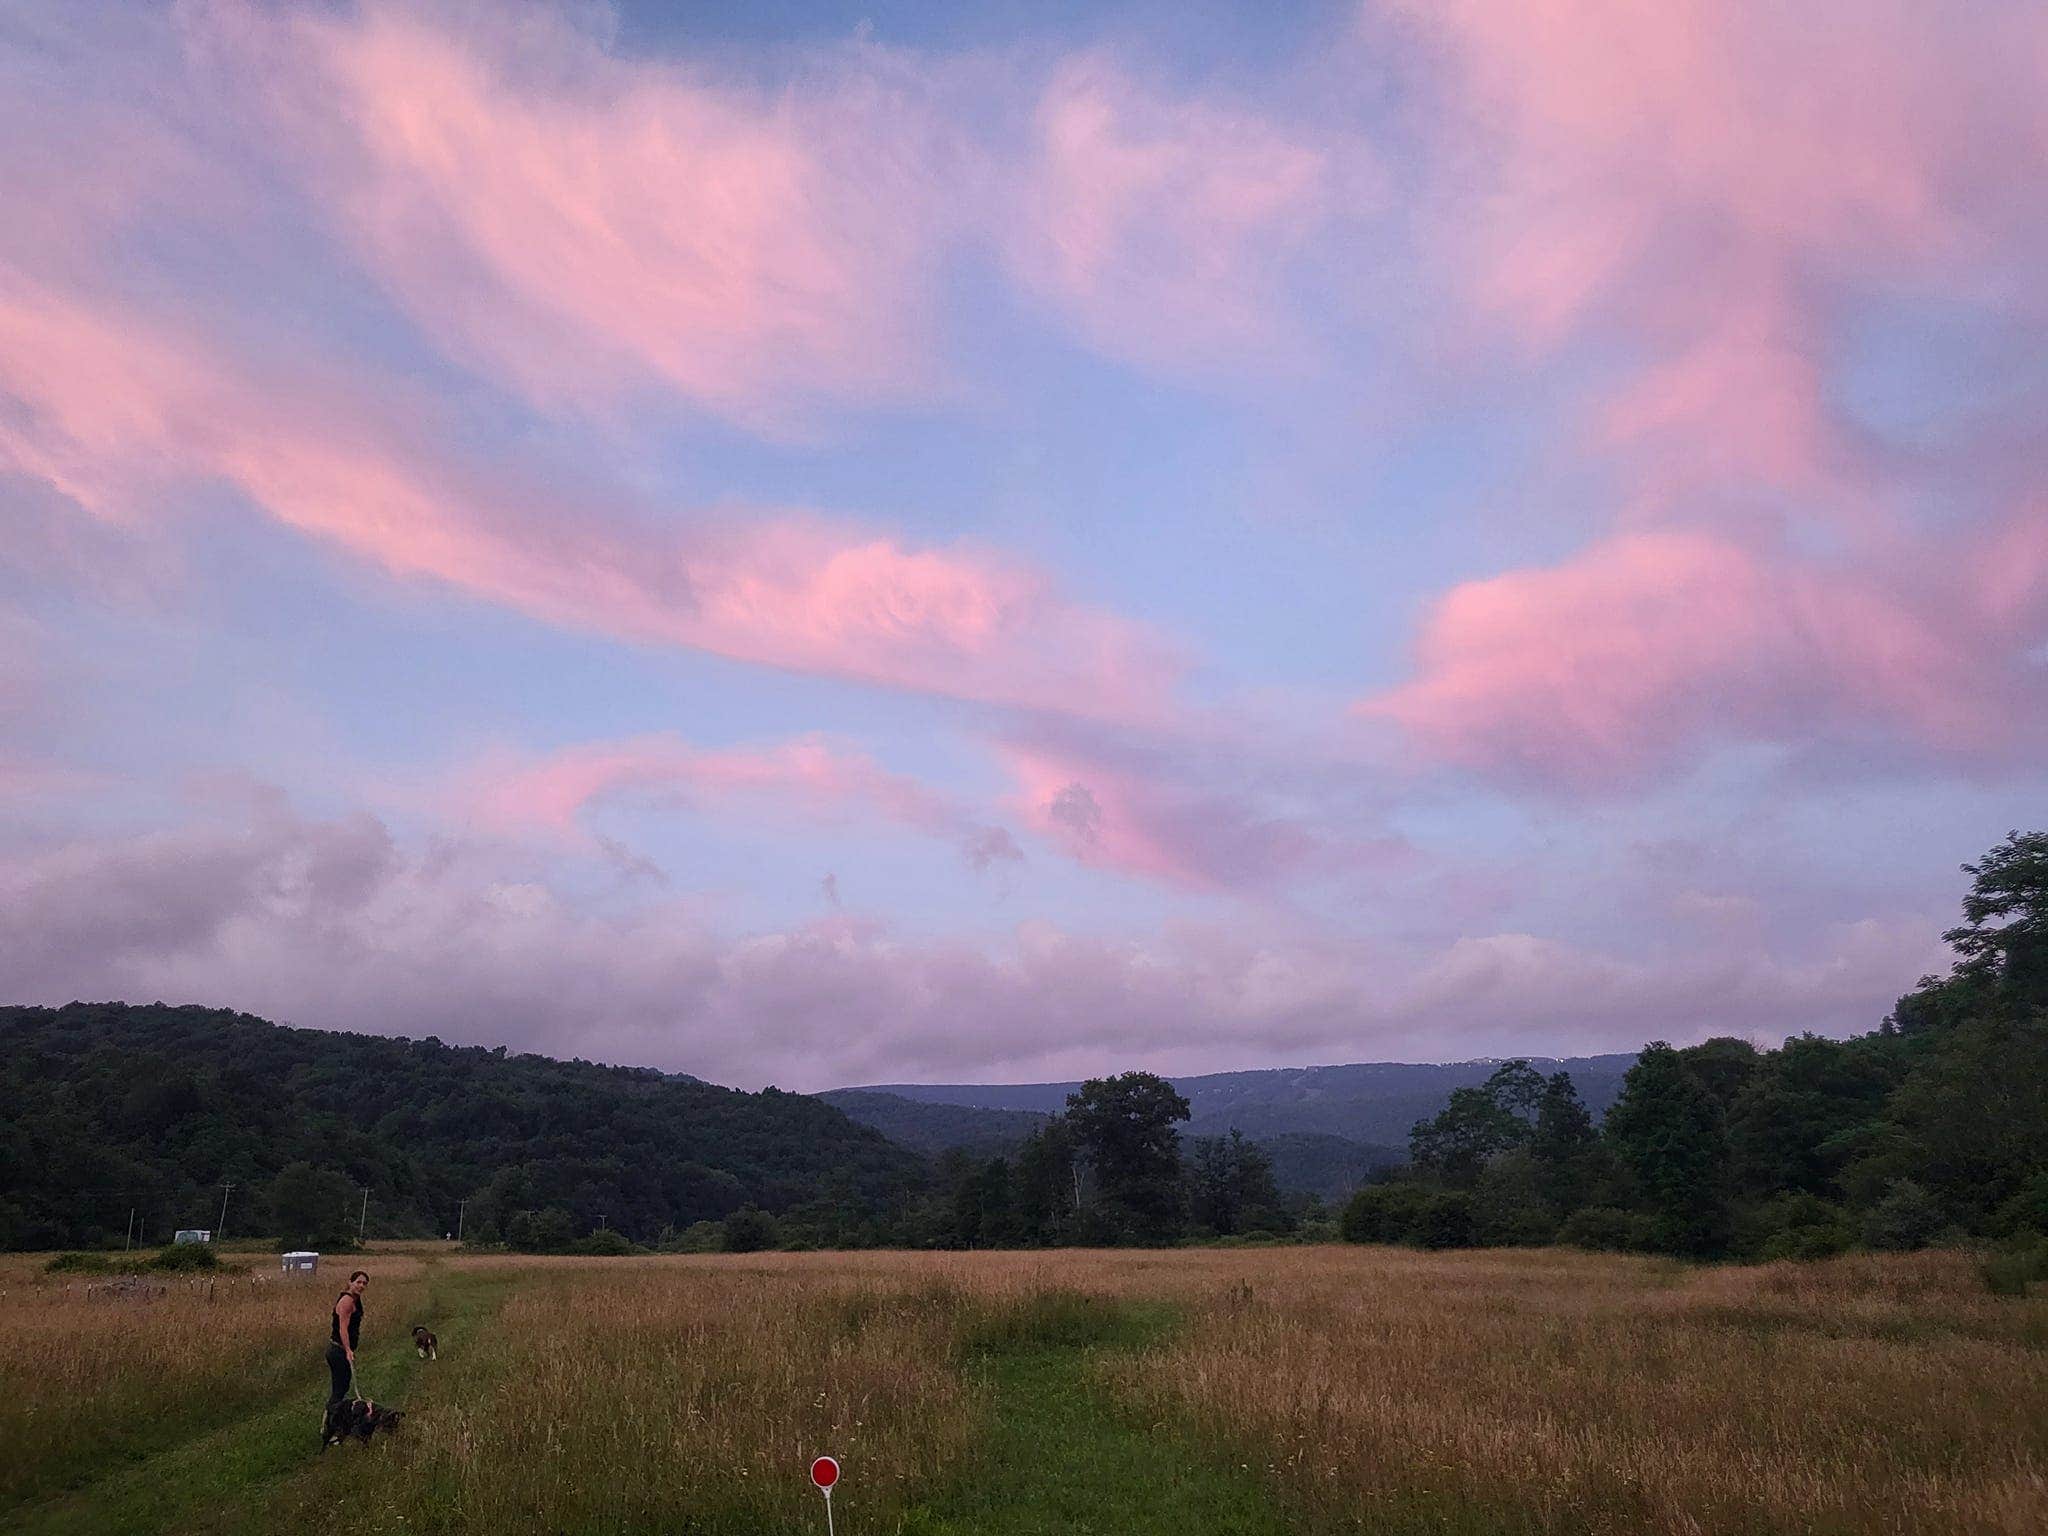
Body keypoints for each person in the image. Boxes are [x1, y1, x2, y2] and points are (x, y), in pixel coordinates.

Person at [327, 1268, 369, 1415]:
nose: (361, 1286)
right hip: (338, 1350)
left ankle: (334, 1418)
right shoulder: (347, 1301)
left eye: (364, 1283)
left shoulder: (355, 1300)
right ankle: (329, 1424)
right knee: (339, 1390)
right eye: (358, 1282)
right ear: (350, 1282)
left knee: (343, 1387)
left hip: (340, 1350)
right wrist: (348, 1350)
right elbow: (342, 1329)